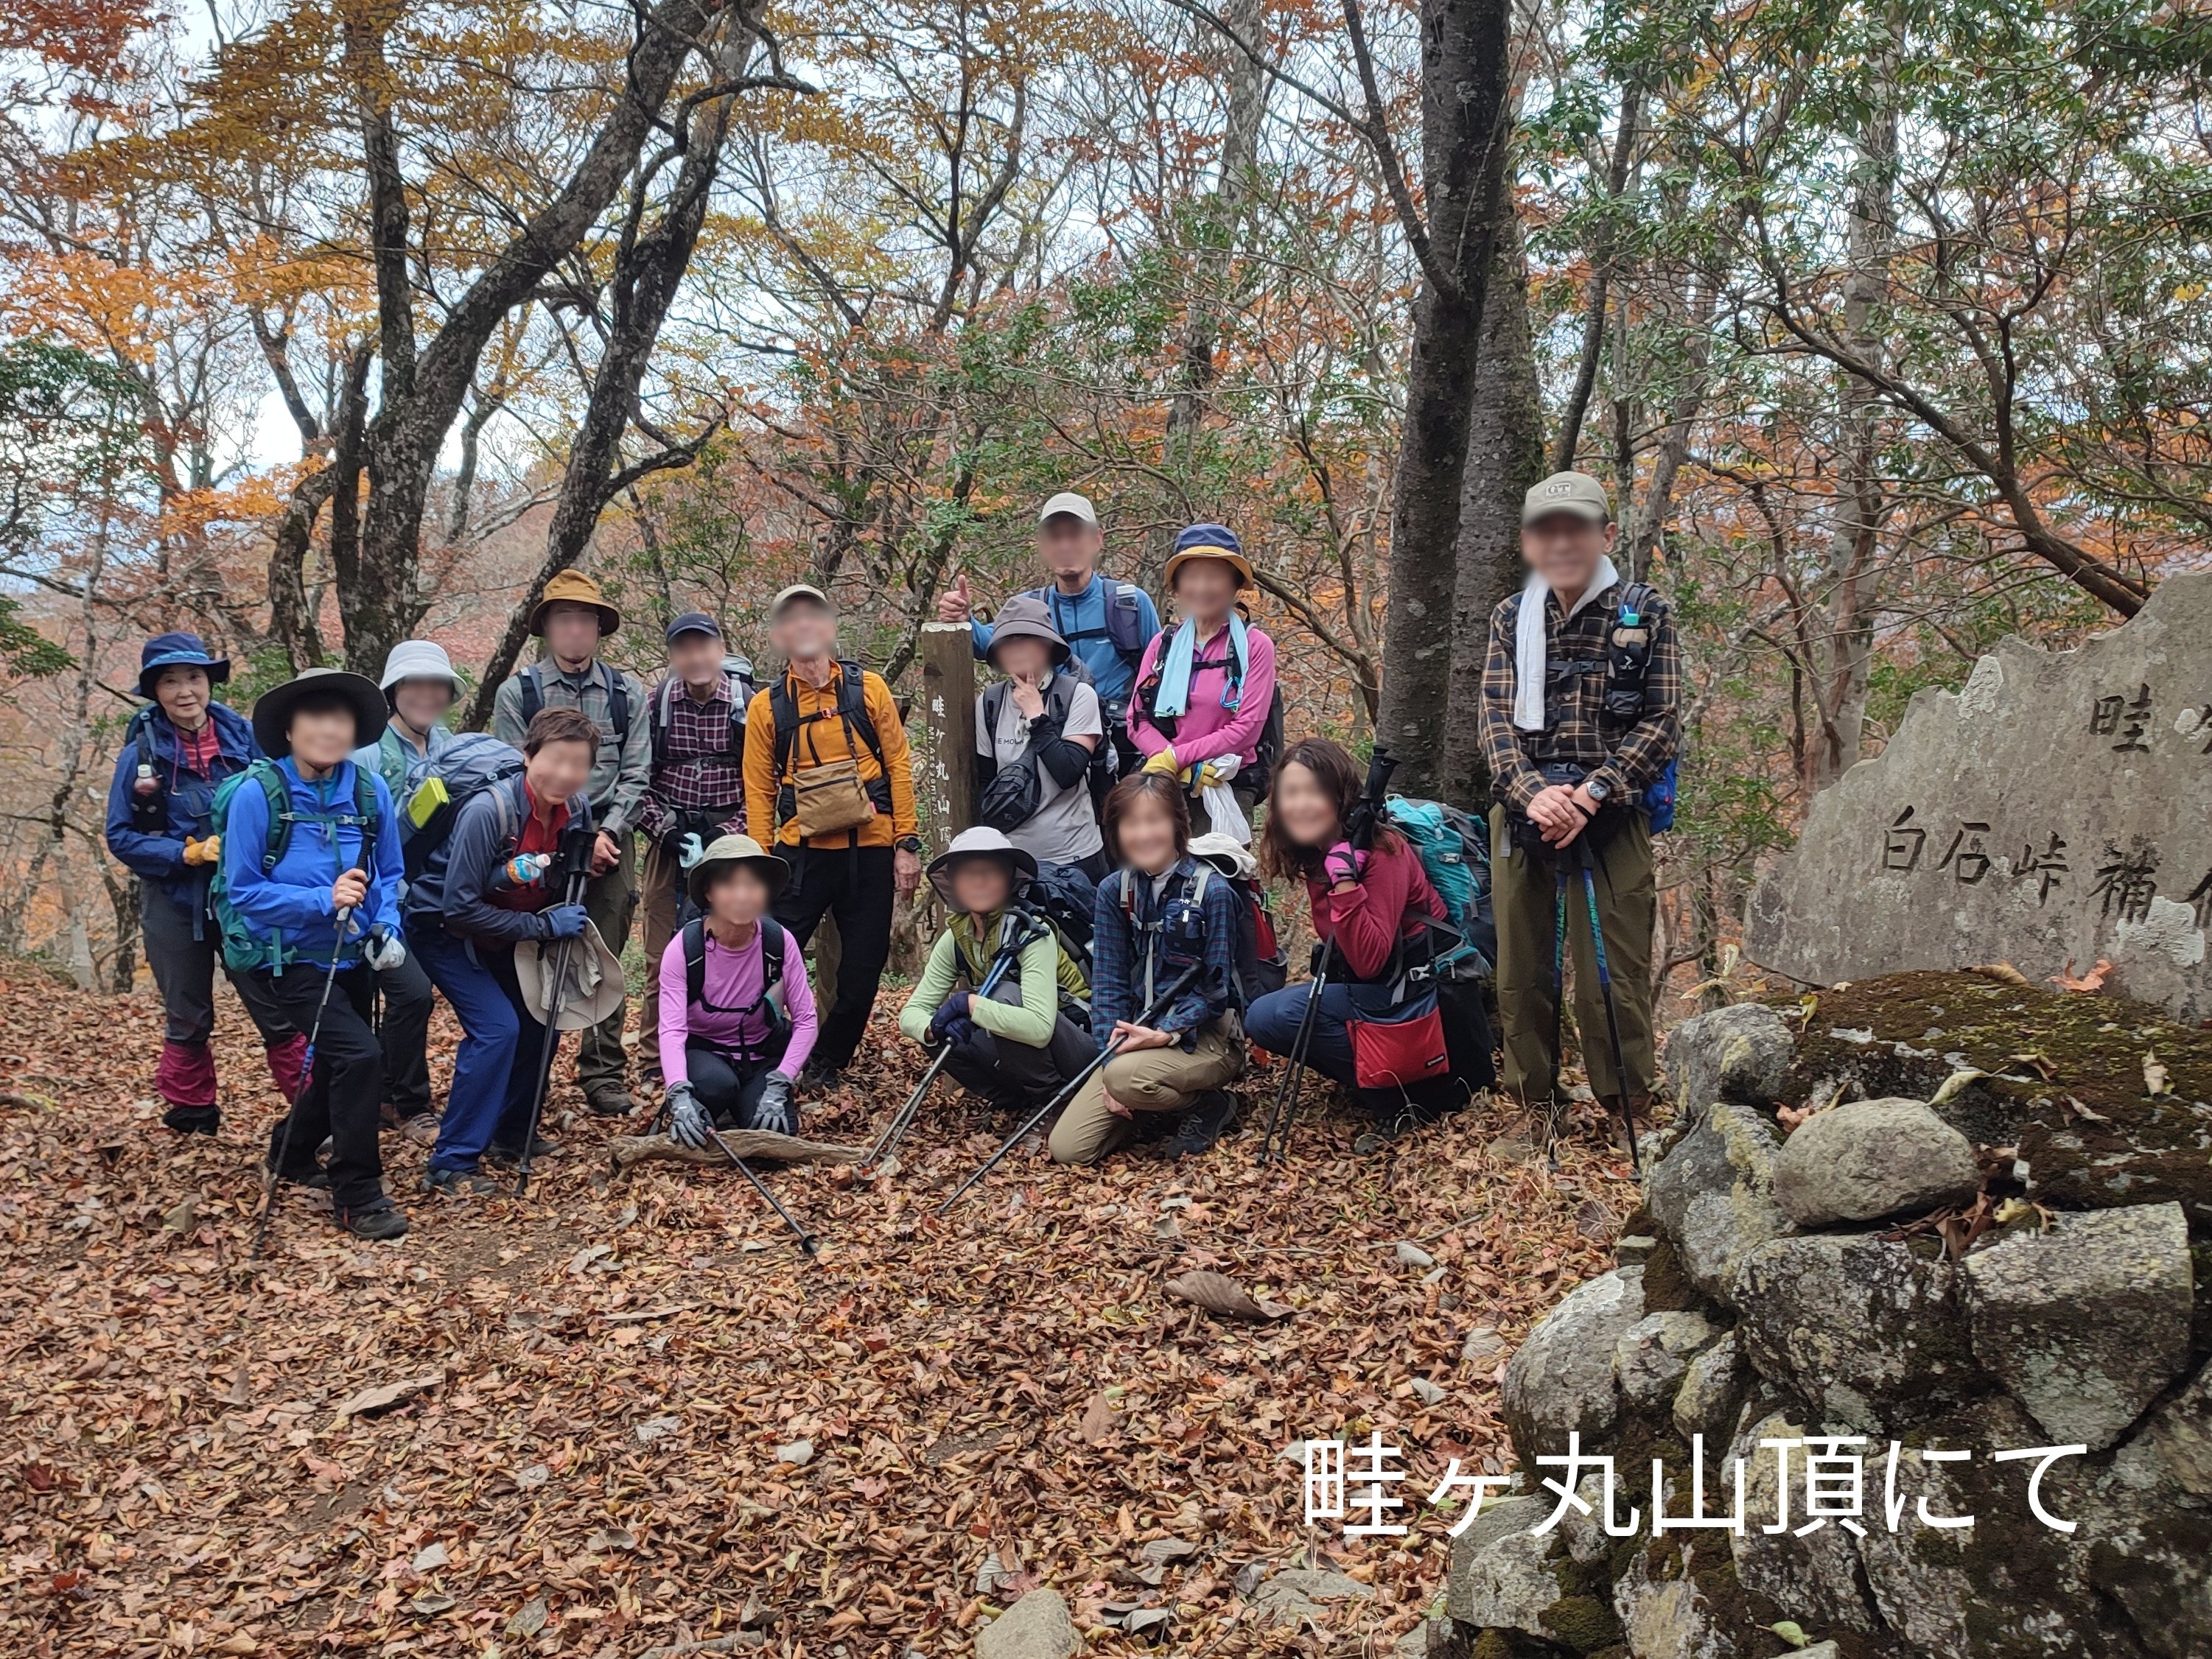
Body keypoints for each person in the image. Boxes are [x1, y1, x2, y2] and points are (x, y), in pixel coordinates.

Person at [1476, 470, 1679, 1130]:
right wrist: (1534, 795)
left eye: (1577, 530)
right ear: (1529, 543)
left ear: (1606, 536)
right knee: (1521, 966)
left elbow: (1662, 720)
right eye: (1547, 532)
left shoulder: (1645, 613)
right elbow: (1494, 722)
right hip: (1525, 809)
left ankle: (1629, 1103)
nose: (1561, 544)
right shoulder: (1511, 617)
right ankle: (1532, 1104)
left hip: (1614, 808)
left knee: (1613, 968)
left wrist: (1595, 791)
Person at [216, 668, 408, 1240]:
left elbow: (389, 873)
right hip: (289, 959)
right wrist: (323, 900)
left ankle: (291, 1151)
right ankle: (358, 1195)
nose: (329, 730)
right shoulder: (258, 795)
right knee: (361, 1058)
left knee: (334, 1065)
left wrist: (386, 927)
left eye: (340, 720)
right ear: (290, 729)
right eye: (316, 718)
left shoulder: (369, 792)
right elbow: (244, 892)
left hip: (354, 956)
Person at [104, 631, 304, 1135]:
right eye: (170, 682)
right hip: (174, 897)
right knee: (187, 1012)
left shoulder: (248, 740)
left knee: (276, 1005)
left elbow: (288, 803)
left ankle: (313, 1109)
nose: (185, 691)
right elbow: (120, 836)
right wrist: (183, 853)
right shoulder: (140, 754)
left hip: (247, 895)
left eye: (193, 677)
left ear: (209, 681)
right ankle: (193, 1117)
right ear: (155, 691)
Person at [405, 706, 598, 1192]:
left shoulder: (577, 811)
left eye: (579, 764)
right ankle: (451, 1162)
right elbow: (458, 908)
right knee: (496, 1029)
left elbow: (564, 877)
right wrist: (541, 924)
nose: (566, 773)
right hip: (443, 930)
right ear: (528, 756)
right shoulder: (486, 811)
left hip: (507, 932)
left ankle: (511, 1133)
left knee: (540, 1021)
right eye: (556, 759)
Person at [741, 585, 922, 1088]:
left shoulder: (869, 690)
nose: (803, 626)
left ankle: (827, 1061)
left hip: (870, 851)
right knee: (767, 961)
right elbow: (758, 788)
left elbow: (898, 765)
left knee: (862, 972)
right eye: (790, 619)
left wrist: (906, 843)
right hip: (798, 858)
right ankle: (764, 1055)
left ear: (829, 627)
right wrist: (758, 864)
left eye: (813, 616)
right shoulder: (767, 707)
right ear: (779, 635)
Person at [491, 569, 651, 1117]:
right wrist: (562, 840)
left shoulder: (626, 693)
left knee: (605, 952)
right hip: (539, 835)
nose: (576, 629)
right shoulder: (519, 693)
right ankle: (526, 1073)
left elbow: (637, 772)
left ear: (599, 628)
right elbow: (512, 771)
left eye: (586, 618)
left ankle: (602, 1071)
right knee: (531, 948)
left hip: (610, 837)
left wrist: (607, 833)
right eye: (565, 618)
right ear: (548, 627)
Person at [1049, 774, 1245, 1165]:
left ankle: (1210, 1104)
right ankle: (1149, 1096)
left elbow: (1215, 990)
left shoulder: (1212, 891)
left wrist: (1166, 1033)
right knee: (1069, 1149)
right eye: (1130, 823)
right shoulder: (1114, 891)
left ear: (1177, 824)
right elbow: (1108, 985)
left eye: (1154, 820)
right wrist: (1109, 1060)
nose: (1143, 834)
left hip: (1204, 1036)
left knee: (1126, 1080)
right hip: (1136, 1037)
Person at [1245, 737, 1455, 1100]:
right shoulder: (1319, 854)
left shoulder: (1383, 849)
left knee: (1276, 1014)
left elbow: (1369, 960)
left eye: (1314, 792)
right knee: (1264, 1017)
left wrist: (1344, 882)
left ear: (1339, 797)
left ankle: (1409, 1089)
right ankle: (1379, 1077)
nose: (1300, 804)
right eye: (1290, 793)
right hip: (1381, 989)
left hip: (1419, 993)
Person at [938, 491, 1161, 778]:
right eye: (1055, 537)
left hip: (1123, 746)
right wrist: (964, 619)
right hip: (1054, 741)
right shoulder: (1030, 607)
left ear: (1097, 540)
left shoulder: (1130, 604)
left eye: (1075, 535)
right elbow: (989, 645)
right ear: (1042, 546)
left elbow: (1159, 676)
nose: (1065, 545)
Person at [897, 827, 1092, 1117]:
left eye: (991, 871)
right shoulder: (956, 939)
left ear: (1010, 879)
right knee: (939, 1029)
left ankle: (1055, 1101)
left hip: (1079, 1045)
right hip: (1027, 1049)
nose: (979, 881)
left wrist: (970, 1005)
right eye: (967, 873)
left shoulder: (1032, 932)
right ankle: (1015, 1103)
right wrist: (934, 1028)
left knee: (1005, 994)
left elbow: (1039, 1029)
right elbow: (911, 1013)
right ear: (953, 883)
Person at [351, 639, 461, 1146]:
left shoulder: (450, 745)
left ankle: (390, 1095)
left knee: (412, 999)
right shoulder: (368, 753)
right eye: (414, 684)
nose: (426, 695)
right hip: (377, 900)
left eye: (437, 685)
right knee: (410, 995)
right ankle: (407, 1103)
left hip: (434, 897)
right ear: (394, 691)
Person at [635, 612, 752, 1087]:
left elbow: (766, 783)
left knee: (735, 948)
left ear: (720, 649)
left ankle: (735, 1047)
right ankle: (653, 1058)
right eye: (684, 649)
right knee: (659, 955)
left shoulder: (748, 706)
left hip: (733, 846)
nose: (695, 657)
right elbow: (635, 779)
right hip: (669, 840)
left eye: (703, 646)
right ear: (673, 657)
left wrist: (727, 833)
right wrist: (663, 829)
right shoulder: (655, 705)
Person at [660, 835, 816, 1147]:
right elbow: (672, 1029)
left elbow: (806, 1020)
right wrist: (678, 1093)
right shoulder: (685, 948)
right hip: (705, 1056)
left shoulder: (779, 941)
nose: (742, 896)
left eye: (753, 885)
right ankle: (712, 1107)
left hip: (761, 1056)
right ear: (709, 892)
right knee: (715, 1086)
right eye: (729, 885)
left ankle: (740, 1107)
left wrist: (781, 1083)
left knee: (774, 1138)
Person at [1128, 524, 1278, 841]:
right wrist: (1173, 764)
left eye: (1214, 576)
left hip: (1226, 782)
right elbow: (1137, 719)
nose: (1202, 587)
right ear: (1178, 586)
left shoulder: (1254, 646)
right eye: (1192, 576)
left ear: (1235, 585)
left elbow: (1247, 729)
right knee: (1156, 864)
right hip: (1165, 780)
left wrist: (1177, 759)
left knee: (1216, 869)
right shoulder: (1162, 645)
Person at [974, 596, 1108, 885]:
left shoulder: (1077, 695)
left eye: (1026, 639)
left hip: (1075, 857)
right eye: (1007, 642)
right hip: (1013, 859)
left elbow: (1067, 773)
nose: (1016, 649)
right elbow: (985, 781)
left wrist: (1037, 714)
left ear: (1047, 645)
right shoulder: (989, 702)